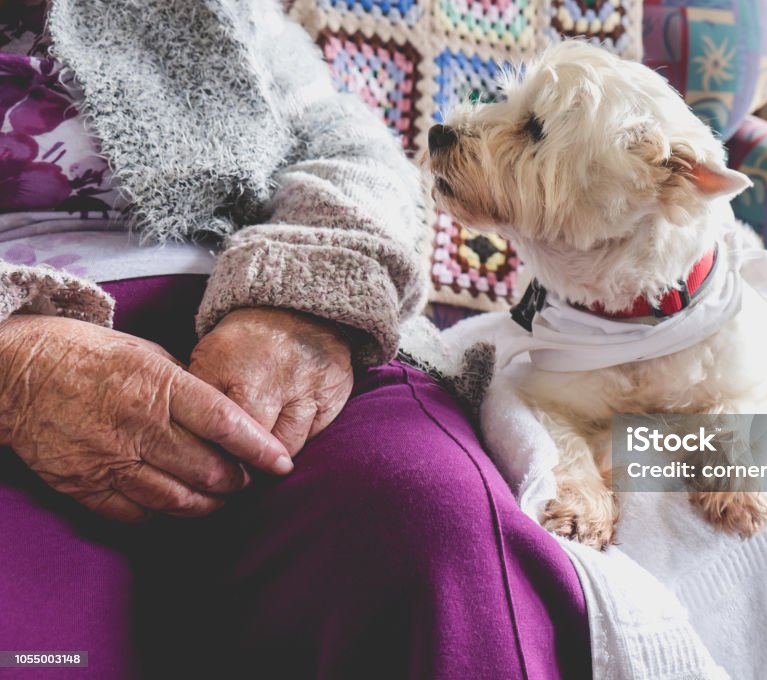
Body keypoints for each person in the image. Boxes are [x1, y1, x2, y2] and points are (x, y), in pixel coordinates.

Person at [0, 1, 590, 677]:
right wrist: (16, 369)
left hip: (266, 309)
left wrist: (304, 293)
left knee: (438, 532)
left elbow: (355, 151)